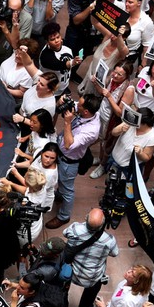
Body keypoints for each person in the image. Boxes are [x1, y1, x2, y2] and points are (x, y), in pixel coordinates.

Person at [48, 94, 102, 229]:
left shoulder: (92, 130)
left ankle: (64, 216)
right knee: (61, 182)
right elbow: (75, 103)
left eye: (79, 105)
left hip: (69, 161)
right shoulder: (88, 110)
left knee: (67, 189)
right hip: (60, 153)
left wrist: (67, 122)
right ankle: (59, 194)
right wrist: (63, 99)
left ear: (86, 112)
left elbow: (69, 145)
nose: (76, 105)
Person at [65, 208, 119, 307]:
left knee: (63, 285)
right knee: (92, 290)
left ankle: (62, 302)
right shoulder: (108, 240)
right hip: (92, 277)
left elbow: (65, 233)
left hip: (70, 271)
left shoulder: (75, 228)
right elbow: (115, 253)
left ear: (86, 218)